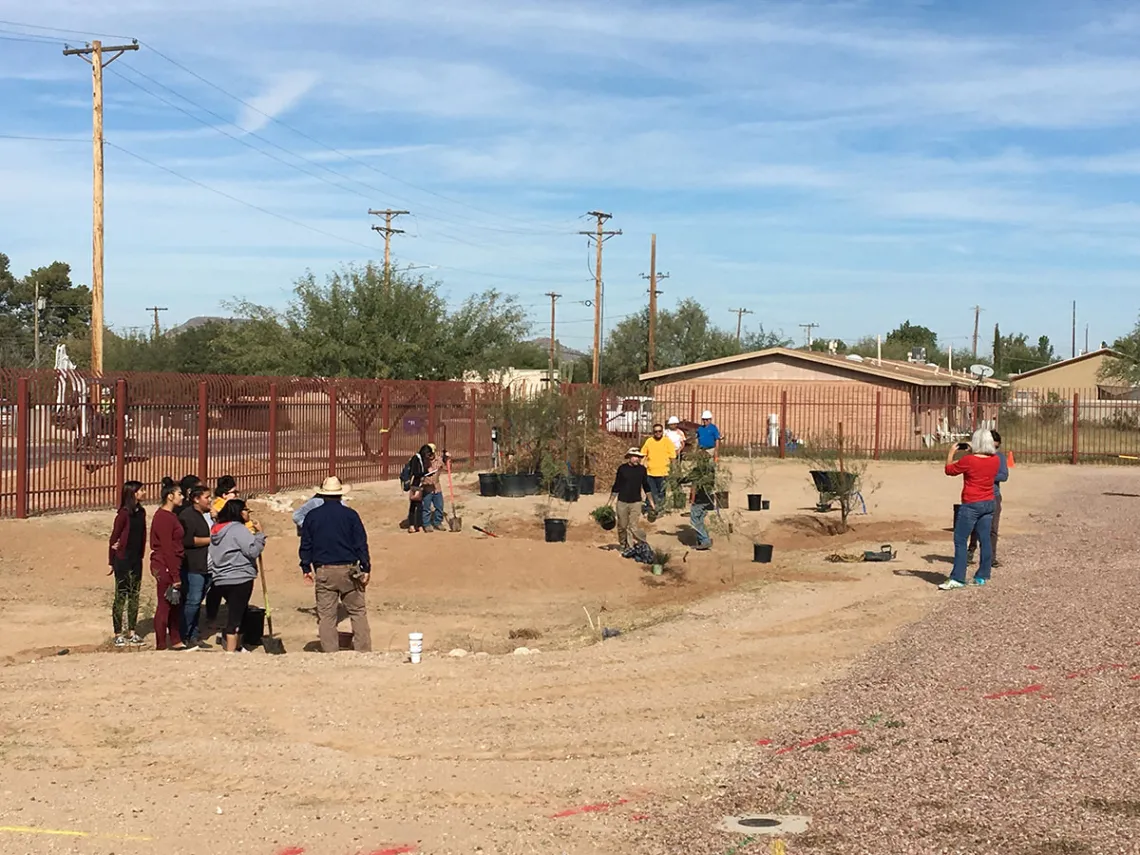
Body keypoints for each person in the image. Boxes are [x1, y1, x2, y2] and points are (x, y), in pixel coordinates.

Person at [300, 477, 372, 652]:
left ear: (323, 495)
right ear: (340, 495)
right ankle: (364, 651)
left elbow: (306, 544)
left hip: (324, 570)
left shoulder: (312, 516)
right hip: (349, 570)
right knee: (357, 612)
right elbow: (360, 542)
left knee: (327, 616)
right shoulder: (351, 515)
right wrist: (366, 567)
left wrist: (305, 567)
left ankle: (330, 653)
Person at [940, 429, 1000, 591]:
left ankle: (958, 577)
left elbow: (949, 470)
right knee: (985, 539)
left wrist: (952, 452)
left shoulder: (969, 460)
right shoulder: (995, 460)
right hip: (989, 502)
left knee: (960, 540)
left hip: (971, 503)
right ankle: (982, 575)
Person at [209, 499, 266, 654]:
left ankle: (238, 646)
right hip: (239, 576)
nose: (248, 514)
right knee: (235, 617)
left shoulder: (216, 529)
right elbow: (253, 551)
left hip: (221, 577)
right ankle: (231, 651)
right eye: (246, 510)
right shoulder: (238, 529)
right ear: (240, 512)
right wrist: (260, 535)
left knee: (238, 612)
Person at [150, 477, 189, 651]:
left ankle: (175, 640)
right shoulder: (164, 518)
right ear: (170, 496)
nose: (182, 497)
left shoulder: (170, 516)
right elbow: (167, 547)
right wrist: (174, 575)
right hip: (165, 564)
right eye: (179, 494)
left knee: (175, 603)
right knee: (165, 604)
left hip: (172, 564)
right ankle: (160, 644)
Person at [107, 480, 147, 647]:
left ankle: (132, 631)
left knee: (134, 595)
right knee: (121, 595)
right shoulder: (123, 514)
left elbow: (143, 534)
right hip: (122, 559)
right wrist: (111, 561)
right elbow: (114, 538)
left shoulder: (141, 512)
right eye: (141, 490)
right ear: (133, 493)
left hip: (136, 559)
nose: (144, 493)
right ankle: (118, 633)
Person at [178, 485, 213, 647]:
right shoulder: (188, 516)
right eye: (207, 497)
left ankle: (193, 634)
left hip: (207, 566)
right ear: (196, 499)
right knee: (192, 601)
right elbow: (187, 541)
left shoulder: (207, 515)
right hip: (194, 566)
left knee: (198, 602)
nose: (210, 500)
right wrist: (211, 539)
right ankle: (184, 634)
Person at [608, 448, 655, 551]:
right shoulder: (622, 469)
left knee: (632, 526)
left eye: (638, 457)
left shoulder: (642, 470)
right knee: (622, 526)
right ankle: (622, 544)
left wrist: (652, 503)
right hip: (622, 501)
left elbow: (646, 486)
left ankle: (631, 546)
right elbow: (616, 485)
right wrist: (609, 503)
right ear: (629, 457)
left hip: (636, 502)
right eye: (634, 456)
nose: (636, 459)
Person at [683, 450, 717, 551]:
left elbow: (691, 482)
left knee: (695, 520)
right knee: (700, 520)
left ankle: (705, 540)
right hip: (708, 498)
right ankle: (702, 540)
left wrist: (678, 480)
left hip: (700, 499)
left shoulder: (698, 470)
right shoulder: (711, 470)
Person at [640, 423, 677, 510]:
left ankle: (659, 509)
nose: (658, 433)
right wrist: (641, 468)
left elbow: (673, 457)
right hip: (650, 472)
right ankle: (650, 509)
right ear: (653, 432)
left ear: (662, 431)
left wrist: (674, 470)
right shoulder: (649, 441)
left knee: (661, 493)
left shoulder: (667, 442)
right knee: (651, 492)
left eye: (659, 431)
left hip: (663, 473)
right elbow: (643, 455)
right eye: (656, 431)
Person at [403, 445, 431, 533]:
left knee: (419, 506)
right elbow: (415, 472)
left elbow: (422, 470)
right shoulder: (416, 458)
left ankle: (418, 525)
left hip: (420, 484)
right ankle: (412, 525)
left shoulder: (422, 459)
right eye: (428, 454)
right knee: (414, 505)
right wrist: (422, 474)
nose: (428, 456)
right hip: (415, 484)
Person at [421, 449, 448, 532]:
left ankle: (438, 522)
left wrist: (447, 459)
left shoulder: (439, 460)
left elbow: (447, 468)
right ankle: (426, 524)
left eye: (432, 453)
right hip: (427, 488)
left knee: (439, 506)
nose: (430, 456)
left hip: (437, 487)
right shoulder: (423, 462)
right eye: (428, 454)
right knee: (426, 508)